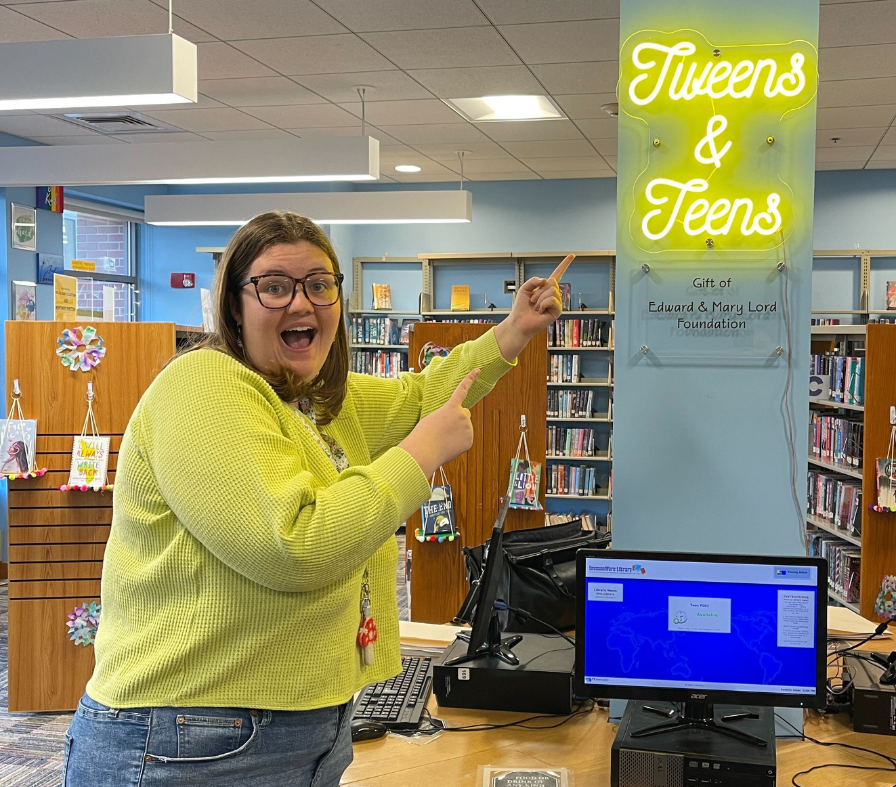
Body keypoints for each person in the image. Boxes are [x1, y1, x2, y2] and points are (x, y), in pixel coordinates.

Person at [63, 211, 572, 787]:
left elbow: (427, 392)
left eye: (320, 285)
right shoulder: (202, 385)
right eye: (275, 286)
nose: (301, 303)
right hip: (192, 735)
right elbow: (295, 547)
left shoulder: (314, 399)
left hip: (291, 727)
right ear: (234, 304)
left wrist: (514, 330)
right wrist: (419, 457)